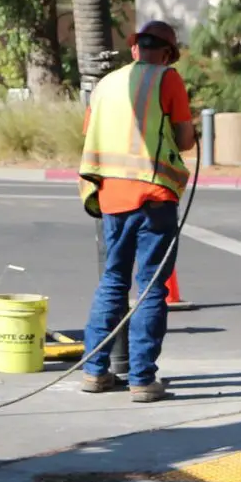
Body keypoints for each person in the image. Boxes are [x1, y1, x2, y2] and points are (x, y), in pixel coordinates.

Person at [76, 21, 197, 402]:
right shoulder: (168, 79)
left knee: (113, 281)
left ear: (134, 50)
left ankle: (95, 372)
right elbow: (183, 139)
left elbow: (91, 133)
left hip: (112, 194)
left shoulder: (106, 84)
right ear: (166, 54)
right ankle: (142, 379)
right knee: (150, 288)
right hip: (154, 195)